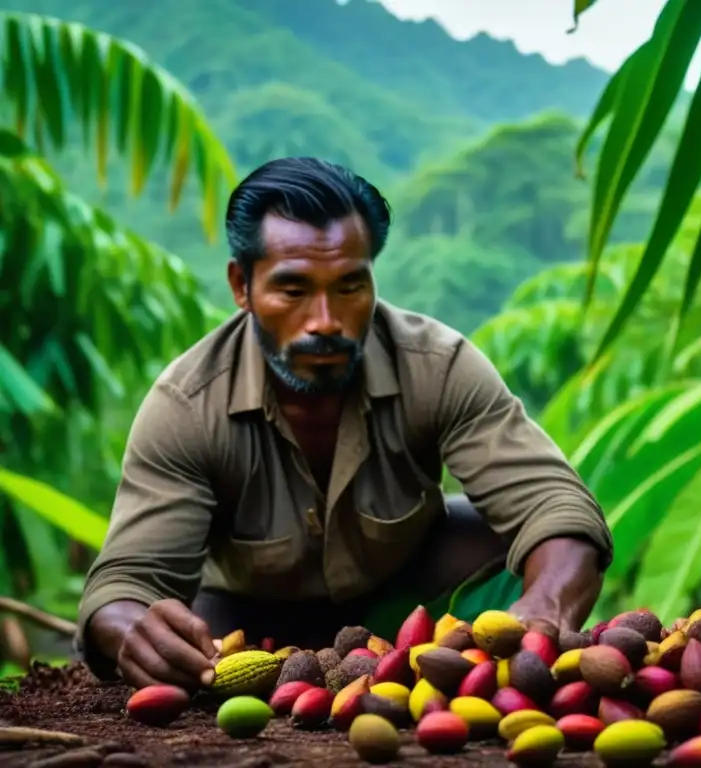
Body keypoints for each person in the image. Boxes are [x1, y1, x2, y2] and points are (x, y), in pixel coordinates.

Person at [75, 157, 614, 691]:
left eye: (350, 287)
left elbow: (555, 504)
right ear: (242, 286)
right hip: (244, 630)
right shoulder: (187, 404)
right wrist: (130, 631)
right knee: (174, 629)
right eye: (293, 290)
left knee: (520, 538)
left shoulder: (438, 365)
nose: (326, 321)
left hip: (413, 609)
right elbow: (126, 583)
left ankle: (474, 671)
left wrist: (543, 608)